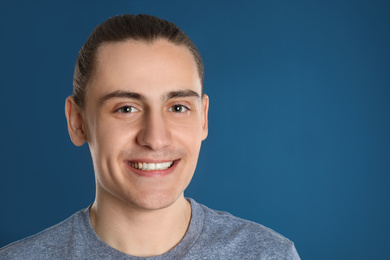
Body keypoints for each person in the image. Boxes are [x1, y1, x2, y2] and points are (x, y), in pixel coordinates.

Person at [0, 14, 300, 259]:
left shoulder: (269, 255)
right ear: (77, 122)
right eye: (126, 108)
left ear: (204, 117)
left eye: (178, 107)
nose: (155, 138)